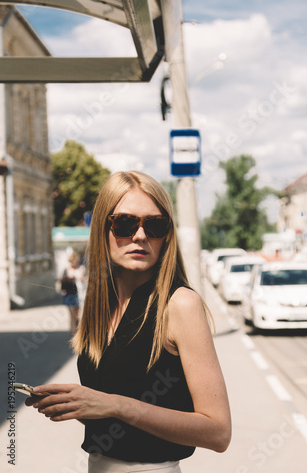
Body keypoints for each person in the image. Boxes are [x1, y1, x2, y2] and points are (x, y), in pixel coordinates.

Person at [26, 171, 232, 473]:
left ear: (167, 235)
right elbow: (115, 414)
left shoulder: (179, 304)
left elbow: (218, 432)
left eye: (155, 224)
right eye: (124, 223)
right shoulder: (100, 305)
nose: (140, 235)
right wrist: (79, 403)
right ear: (102, 229)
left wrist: (115, 404)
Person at [61, 251, 85, 335]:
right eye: (71, 261)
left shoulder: (81, 268)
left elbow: (83, 279)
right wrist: (68, 278)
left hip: (78, 293)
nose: (72, 262)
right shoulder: (66, 270)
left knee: (77, 313)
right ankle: (73, 331)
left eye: (74, 260)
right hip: (69, 293)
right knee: (72, 312)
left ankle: (76, 327)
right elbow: (62, 281)